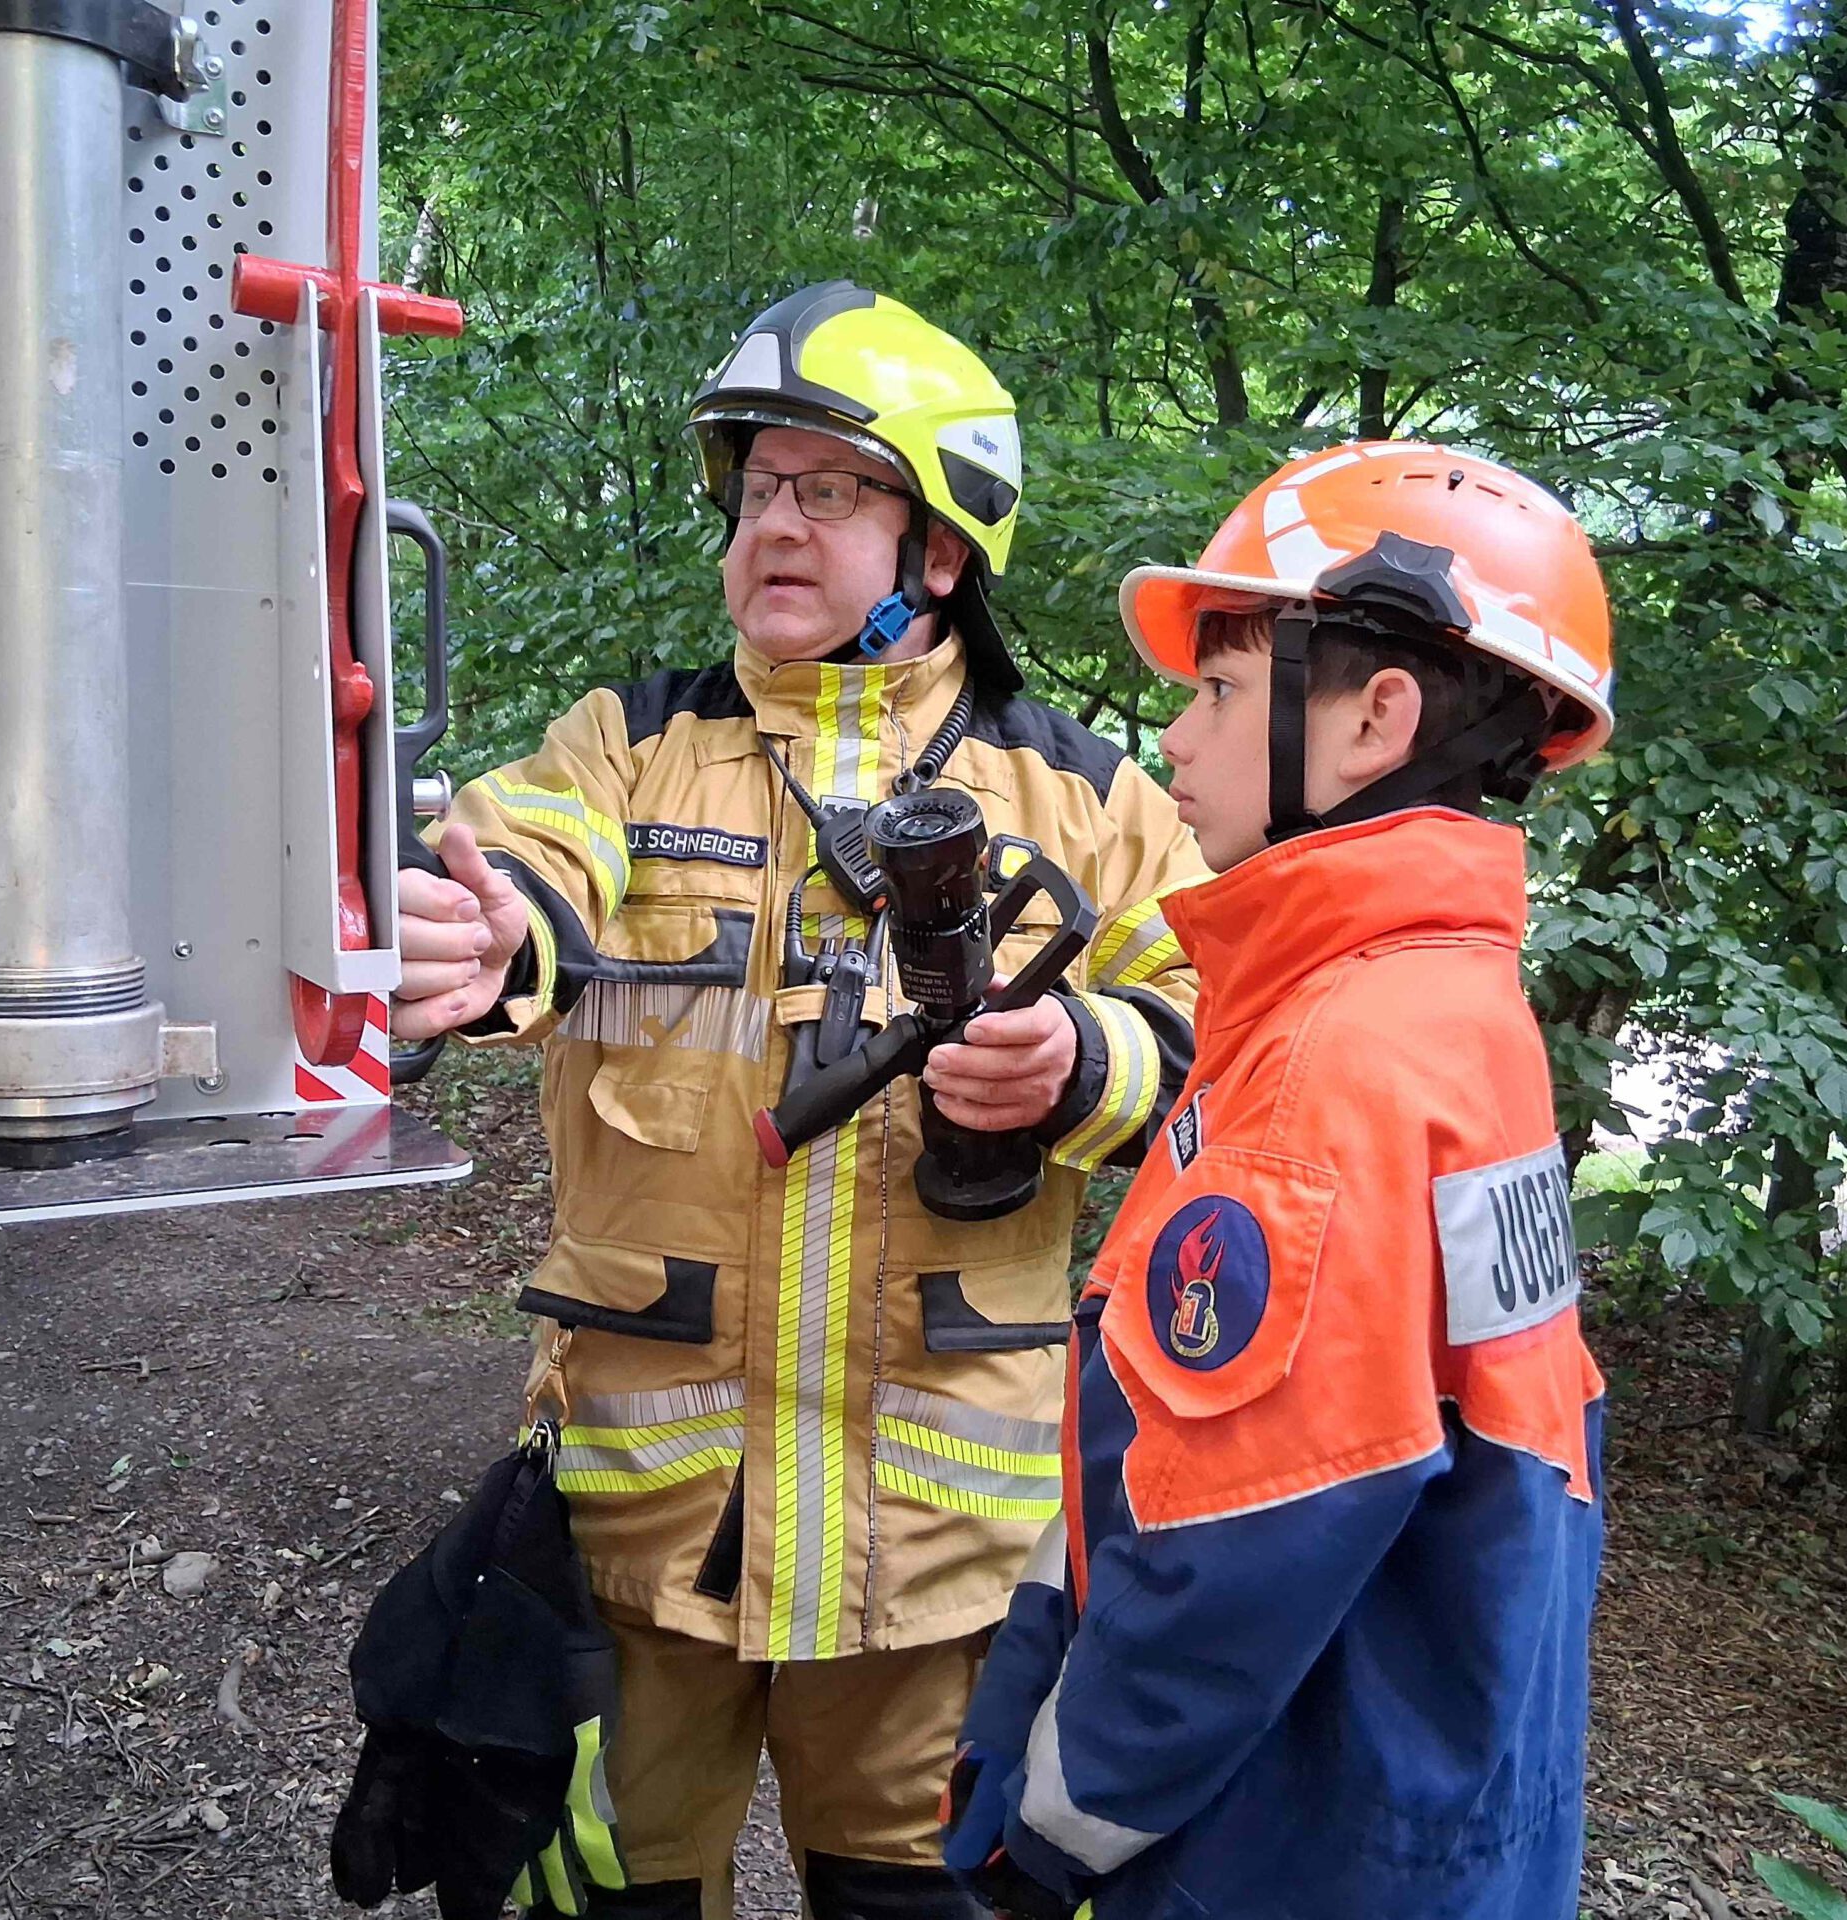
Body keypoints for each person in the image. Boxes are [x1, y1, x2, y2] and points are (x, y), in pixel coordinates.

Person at [391, 281, 1206, 1920]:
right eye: (757, 486)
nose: (773, 519)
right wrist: (490, 932)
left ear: (943, 547)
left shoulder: (1095, 801)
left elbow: (1222, 1030)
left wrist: (1080, 1064)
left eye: (828, 487)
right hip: (647, 1544)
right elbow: (534, 859)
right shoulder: (626, 745)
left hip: (935, 1563)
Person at [943, 440, 1617, 1920]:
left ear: (1373, 719)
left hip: (1283, 1842)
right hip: (1435, 1788)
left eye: (1221, 692)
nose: (1175, 741)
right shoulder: (1459, 1013)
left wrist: (1050, 1829)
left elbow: (1230, 1546)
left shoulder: (1331, 1065)